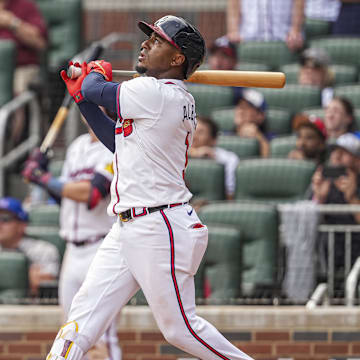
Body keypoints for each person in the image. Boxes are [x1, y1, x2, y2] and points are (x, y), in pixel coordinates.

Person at [45, 15, 254, 360]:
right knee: (80, 321)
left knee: (179, 329)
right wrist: (82, 97)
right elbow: (117, 142)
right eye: (149, 38)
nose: (144, 44)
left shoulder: (159, 93)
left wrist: (95, 73)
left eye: (157, 41)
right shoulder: (153, 97)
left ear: (177, 60)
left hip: (161, 226)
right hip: (128, 226)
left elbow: (99, 90)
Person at [22, 123, 122, 359]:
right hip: (72, 250)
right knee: (70, 331)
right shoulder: (76, 146)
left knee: (102, 333)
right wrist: (40, 177)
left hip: (100, 246)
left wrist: (44, 179)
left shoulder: (116, 146)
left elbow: (92, 194)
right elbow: (66, 197)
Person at [311, 132, 360, 286]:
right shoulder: (323, 182)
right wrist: (319, 198)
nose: (337, 157)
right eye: (335, 152)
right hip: (326, 255)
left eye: (344, 153)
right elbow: (307, 224)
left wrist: (352, 198)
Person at [0, 0, 48, 146]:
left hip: (21, 68)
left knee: (18, 93)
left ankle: (11, 147)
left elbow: (40, 43)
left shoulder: (25, 5)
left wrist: (12, 23)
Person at [0, 197, 59, 296]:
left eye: (5, 219)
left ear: (22, 225)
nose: (0, 224)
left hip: (30, 308)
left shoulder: (43, 250)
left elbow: (47, 289)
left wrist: (36, 281)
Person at [189, 116, 239, 200]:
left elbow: (230, 193)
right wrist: (192, 153)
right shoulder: (176, 155)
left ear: (213, 139)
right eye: (191, 131)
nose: (194, 136)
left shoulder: (229, 159)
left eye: (200, 132)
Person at [226, 0, 305, 51]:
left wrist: (295, 30)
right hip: (248, 40)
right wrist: (234, 30)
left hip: (285, 40)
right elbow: (234, 3)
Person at [234, 88, 270, 157]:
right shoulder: (224, 134)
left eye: (246, 107)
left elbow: (267, 164)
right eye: (239, 106)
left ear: (260, 116)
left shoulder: (269, 139)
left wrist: (259, 138)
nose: (240, 110)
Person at [207, 35, 243, 105]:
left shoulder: (240, 88)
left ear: (234, 61)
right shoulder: (197, 79)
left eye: (224, 56)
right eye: (214, 55)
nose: (218, 60)